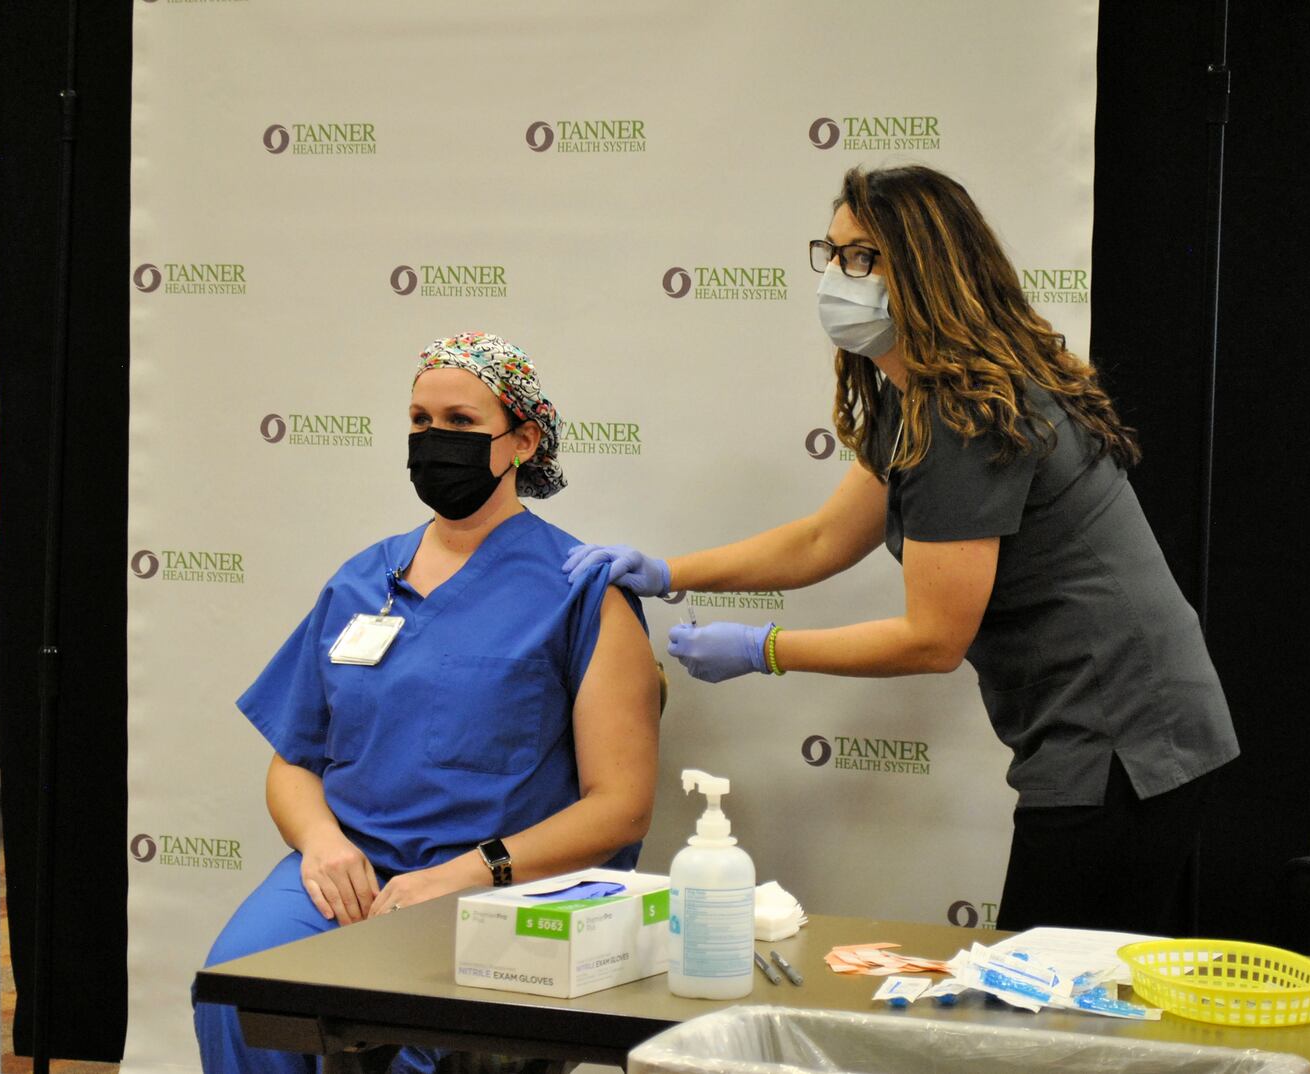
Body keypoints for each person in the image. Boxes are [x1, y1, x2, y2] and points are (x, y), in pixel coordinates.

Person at [564, 165, 1238, 937]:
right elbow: (824, 538)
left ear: (922, 266)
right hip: (1112, 731)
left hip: (1125, 741)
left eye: (863, 258)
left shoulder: (965, 413)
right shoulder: (918, 396)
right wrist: (669, 572)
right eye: (835, 254)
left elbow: (932, 639)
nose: (838, 277)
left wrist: (765, 648)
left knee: (1045, 1014)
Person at [196, 332, 661, 1074]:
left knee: (408, 1035)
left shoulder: (583, 591)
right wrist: (321, 842)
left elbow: (621, 807)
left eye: (462, 423)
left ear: (523, 440)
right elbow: (293, 761)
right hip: (352, 869)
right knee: (241, 991)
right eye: (420, 421)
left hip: (499, 882)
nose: (434, 440)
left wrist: (465, 874)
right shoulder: (363, 580)